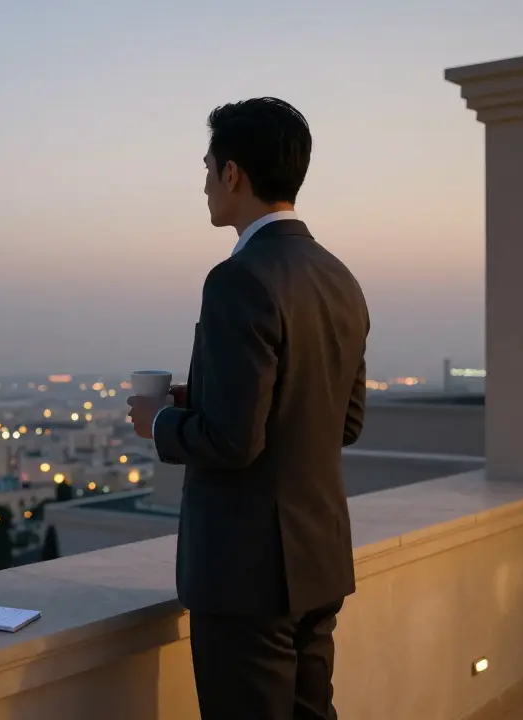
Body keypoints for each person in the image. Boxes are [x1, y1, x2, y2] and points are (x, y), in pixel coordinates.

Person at [127, 97, 369, 719]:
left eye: (207, 167)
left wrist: (159, 422)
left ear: (233, 173)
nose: (203, 183)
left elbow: (235, 442)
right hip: (316, 561)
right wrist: (205, 398)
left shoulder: (238, 279)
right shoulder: (339, 277)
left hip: (246, 575)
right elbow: (343, 421)